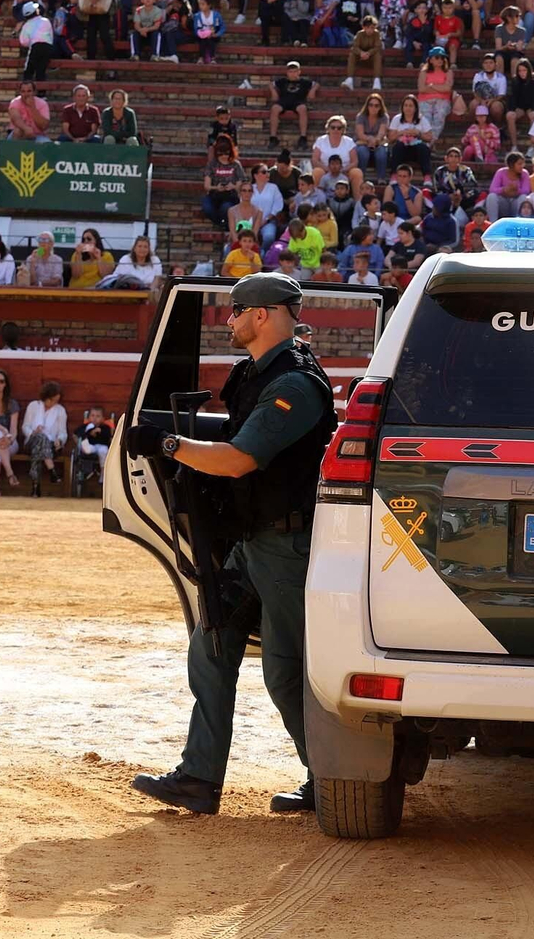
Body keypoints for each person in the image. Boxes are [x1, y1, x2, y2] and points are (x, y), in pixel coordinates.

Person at [125, 272, 336, 815]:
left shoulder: (294, 384)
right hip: (252, 541)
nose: (230, 319)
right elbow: (233, 436)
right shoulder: (258, 375)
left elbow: (241, 457)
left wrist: (168, 443)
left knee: (286, 673)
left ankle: (329, 778)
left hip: (287, 547)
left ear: (262, 315)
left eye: (237, 310)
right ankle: (199, 777)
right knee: (212, 648)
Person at [21, 380, 68, 496]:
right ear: (45, 397)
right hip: (31, 442)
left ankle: (35, 487)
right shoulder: (33, 406)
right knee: (40, 437)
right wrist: (33, 433)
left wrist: (60, 440)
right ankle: (51, 470)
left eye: (56, 401)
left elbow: (63, 432)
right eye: (52, 400)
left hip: (51, 445)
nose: (53, 403)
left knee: (40, 446)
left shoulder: (60, 411)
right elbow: (25, 426)